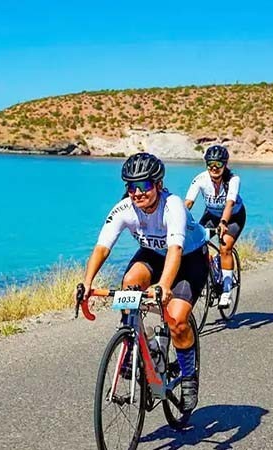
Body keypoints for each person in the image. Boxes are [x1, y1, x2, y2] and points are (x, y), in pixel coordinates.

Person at [81, 152, 207, 411]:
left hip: (190, 258)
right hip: (152, 255)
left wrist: (164, 285)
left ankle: (188, 377)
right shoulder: (124, 208)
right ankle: (134, 342)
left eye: (144, 185)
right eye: (131, 186)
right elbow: (102, 247)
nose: (137, 193)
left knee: (177, 320)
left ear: (158, 184)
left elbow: (175, 249)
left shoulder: (173, 206)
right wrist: (87, 282)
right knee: (130, 283)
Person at [185, 145, 246, 307]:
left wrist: (223, 222)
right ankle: (212, 266)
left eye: (218, 164)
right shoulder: (200, 179)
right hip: (211, 215)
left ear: (225, 164)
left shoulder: (233, 180)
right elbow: (188, 203)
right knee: (196, 243)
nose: (214, 167)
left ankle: (226, 290)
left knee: (225, 247)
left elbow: (230, 203)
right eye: (210, 164)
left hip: (233, 217)